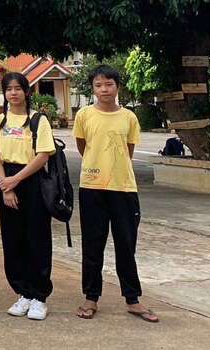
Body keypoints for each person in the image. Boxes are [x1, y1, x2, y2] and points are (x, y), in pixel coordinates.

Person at [75, 65, 158, 322]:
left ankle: (132, 299)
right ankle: (91, 297)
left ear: (117, 87)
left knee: (126, 245)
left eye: (109, 84)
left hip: (123, 188)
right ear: (93, 89)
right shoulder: (84, 115)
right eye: (98, 85)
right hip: (92, 188)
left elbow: (128, 150)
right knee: (92, 245)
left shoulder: (129, 117)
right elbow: (83, 146)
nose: (104, 90)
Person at [0, 72, 56, 321]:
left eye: (18, 88)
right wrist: (6, 187)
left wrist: (16, 180)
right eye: (8, 89)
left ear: (26, 92)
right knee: (13, 239)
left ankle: (39, 296)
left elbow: (43, 155)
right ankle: (23, 292)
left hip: (32, 180)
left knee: (37, 238)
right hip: (6, 182)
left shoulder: (38, 120)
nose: (13, 93)